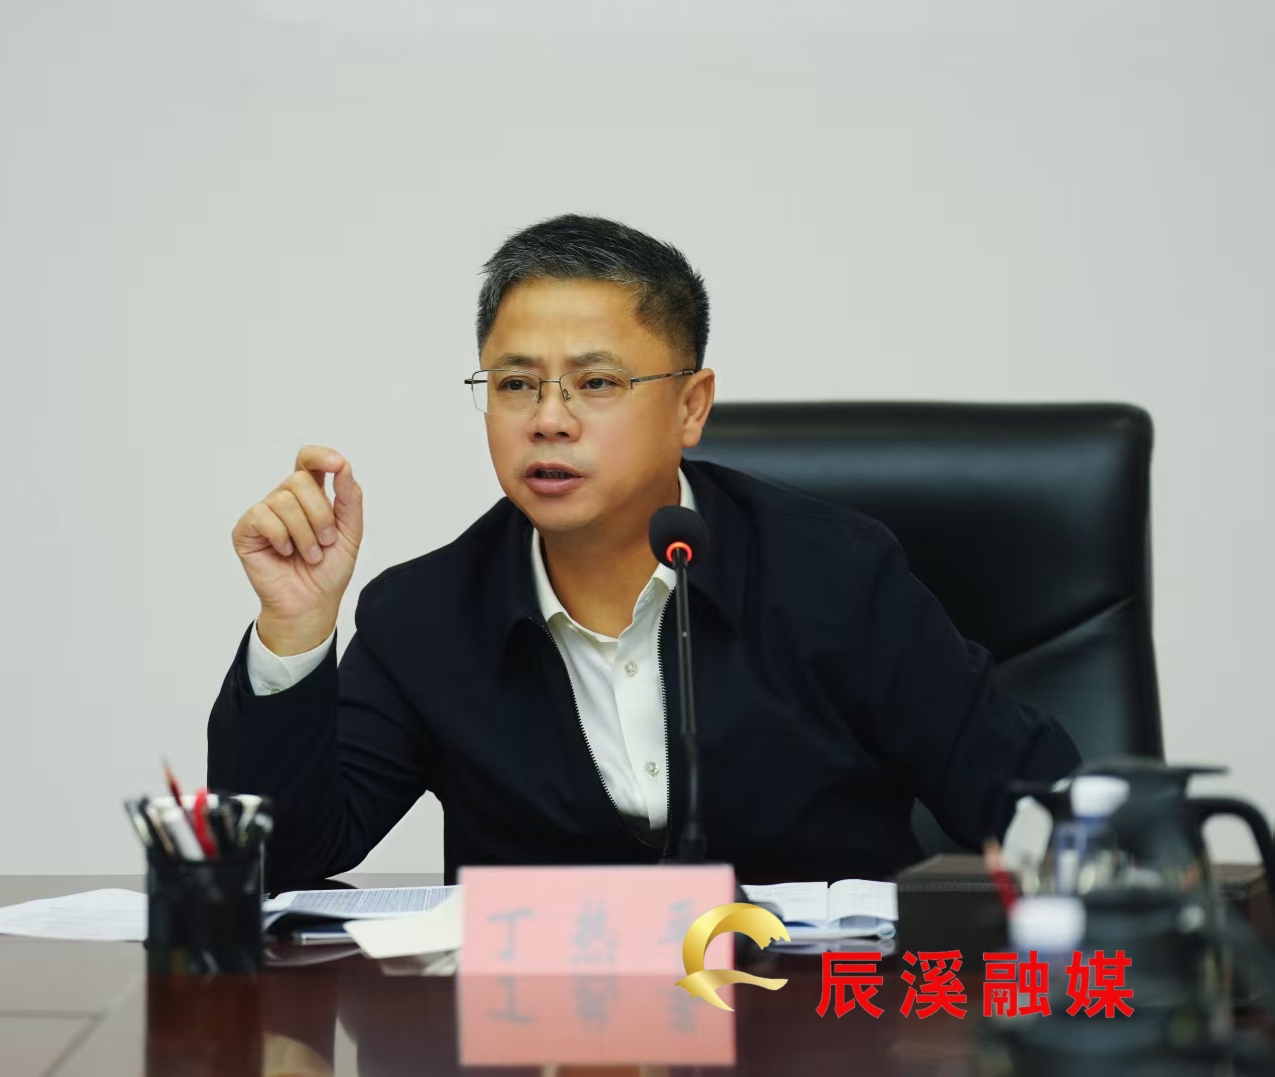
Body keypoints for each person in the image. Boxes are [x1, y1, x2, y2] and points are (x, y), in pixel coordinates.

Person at [208, 214, 1080, 890]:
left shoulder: (836, 576)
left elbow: (1039, 808)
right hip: (550, 1036)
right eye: (514, 383)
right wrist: (295, 627)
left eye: (596, 382)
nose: (548, 418)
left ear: (690, 406)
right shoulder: (425, 616)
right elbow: (281, 861)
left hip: (822, 1024)